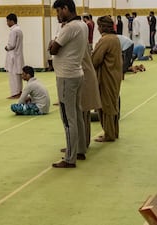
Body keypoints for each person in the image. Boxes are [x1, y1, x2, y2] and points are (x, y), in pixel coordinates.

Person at [49, 0, 88, 168]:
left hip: (66, 77)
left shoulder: (69, 28)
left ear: (66, 9)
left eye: (58, 11)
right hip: (77, 73)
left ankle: (70, 158)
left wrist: (53, 43)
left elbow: (53, 49)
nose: (58, 15)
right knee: (77, 114)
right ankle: (79, 149)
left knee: (67, 118)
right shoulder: (82, 25)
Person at [92, 16, 123, 142]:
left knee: (106, 106)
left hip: (106, 76)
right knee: (113, 103)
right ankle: (114, 132)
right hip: (115, 75)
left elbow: (95, 60)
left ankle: (109, 134)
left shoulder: (105, 40)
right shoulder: (115, 39)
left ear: (102, 27)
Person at [5, 13, 24, 99]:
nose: (7, 23)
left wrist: (7, 47)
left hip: (13, 55)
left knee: (13, 76)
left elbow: (11, 45)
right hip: (18, 55)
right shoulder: (19, 29)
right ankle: (19, 92)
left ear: (12, 21)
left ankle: (15, 93)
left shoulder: (13, 31)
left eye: (8, 21)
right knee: (18, 75)